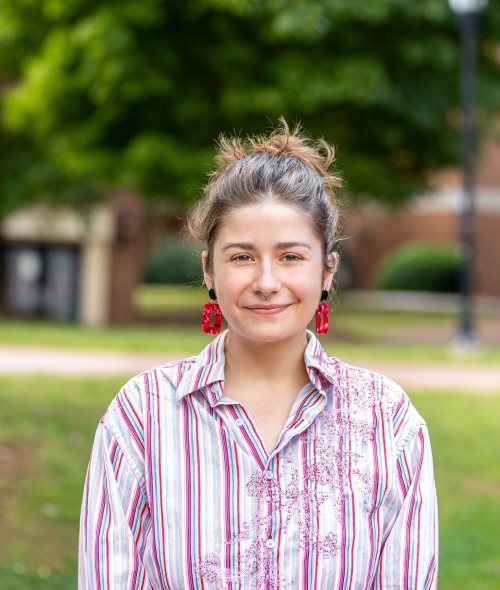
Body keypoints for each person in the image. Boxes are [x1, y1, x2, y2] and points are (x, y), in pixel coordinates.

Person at [79, 120, 438, 589]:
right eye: (242, 256)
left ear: (327, 270)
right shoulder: (142, 416)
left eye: (291, 256)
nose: (267, 282)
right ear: (209, 269)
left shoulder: (388, 422)